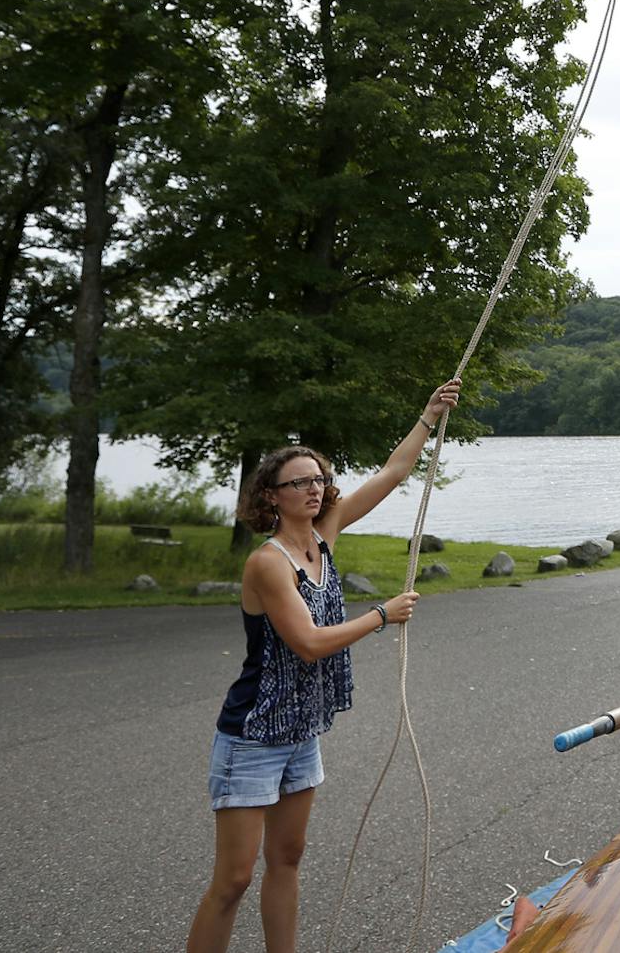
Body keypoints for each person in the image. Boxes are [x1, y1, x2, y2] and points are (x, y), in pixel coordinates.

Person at [185, 378, 461, 953]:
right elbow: (308, 643)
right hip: (254, 734)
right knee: (233, 880)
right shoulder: (268, 562)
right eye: (300, 482)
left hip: (302, 729)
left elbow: (391, 474)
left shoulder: (324, 535)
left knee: (287, 859)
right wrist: (381, 616)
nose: (315, 489)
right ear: (272, 497)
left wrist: (428, 418)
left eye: (319, 479)